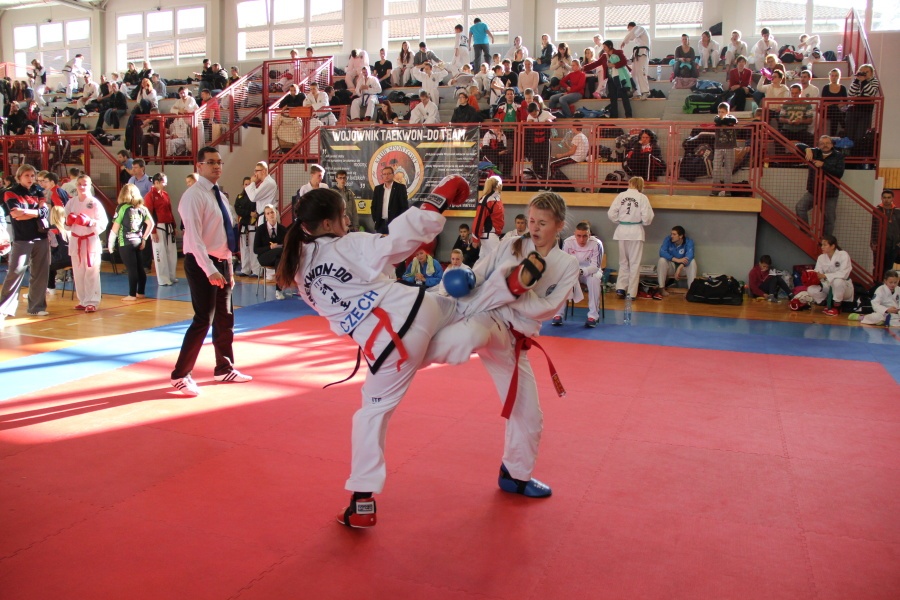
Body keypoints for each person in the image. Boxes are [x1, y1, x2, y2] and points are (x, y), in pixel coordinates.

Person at [274, 177, 471, 527]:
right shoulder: (348, 245)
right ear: (327, 223)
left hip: (390, 347)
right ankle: (505, 296)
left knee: (371, 414)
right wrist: (436, 202)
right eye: (343, 216)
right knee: (467, 306)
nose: (348, 220)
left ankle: (362, 502)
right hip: (417, 309)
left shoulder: (298, 269)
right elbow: (399, 240)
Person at [423, 191, 580, 501]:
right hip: (487, 316)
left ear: (559, 225)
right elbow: (481, 272)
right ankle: (405, 352)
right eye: (531, 220)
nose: (534, 228)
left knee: (530, 415)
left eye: (542, 223)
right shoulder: (512, 243)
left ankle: (515, 475)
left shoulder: (567, 264)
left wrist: (517, 290)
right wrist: (465, 278)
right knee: (470, 335)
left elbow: (547, 309)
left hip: (514, 338)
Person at [171, 147, 251, 396]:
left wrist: (229, 269)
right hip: (201, 262)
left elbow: (224, 235)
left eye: (220, 162)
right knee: (203, 318)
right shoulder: (193, 196)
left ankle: (224, 367)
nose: (217, 166)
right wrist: (209, 269)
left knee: (225, 318)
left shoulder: (220, 196)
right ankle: (180, 375)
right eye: (211, 162)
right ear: (199, 166)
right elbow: (194, 238)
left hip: (221, 262)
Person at [0, 165, 51, 321]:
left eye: (32, 175)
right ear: (19, 177)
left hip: (41, 237)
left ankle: (36, 307)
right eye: (26, 175)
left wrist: (28, 213)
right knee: (15, 272)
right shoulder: (10, 192)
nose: (30, 178)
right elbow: (16, 214)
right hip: (22, 239)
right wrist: (37, 213)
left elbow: (45, 210)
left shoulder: (38, 190)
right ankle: (4, 309)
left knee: (40, 273)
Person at [65, 174, 108, 312]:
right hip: (76, 240)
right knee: (78, 272)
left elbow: (103, 223)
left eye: (85, 184)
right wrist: (68, 222)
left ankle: (92, 301)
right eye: (79, 184)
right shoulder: (71, 203)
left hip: (90, 240)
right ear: (76, 185)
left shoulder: (95, 203)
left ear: (90, 186)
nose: (82, 187)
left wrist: (90, 222)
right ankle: (83, 300)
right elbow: (65, 225)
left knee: (91, 271)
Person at [608, 176, 654, 300]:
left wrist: (620, 220)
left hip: (622, 231)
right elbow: (647, 218)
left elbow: (611, 213)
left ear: (630, 183)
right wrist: (641, 222)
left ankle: (620, 288)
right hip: (636, 232)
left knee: (623, 261)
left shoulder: (621, 196)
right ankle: (631, 293)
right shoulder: (642, 198)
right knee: (634, 263)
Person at [552, 220, 605, 327]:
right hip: (573, 271)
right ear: (574, 234)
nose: (581, 239)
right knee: (561, 278)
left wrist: (581, 271)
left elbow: (595, 266)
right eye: (579, 236)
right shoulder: (568, 242)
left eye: (585, 236)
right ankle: (558, 314)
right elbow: (564, 262)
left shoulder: (597, 244)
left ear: (589, 235)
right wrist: (572, 272)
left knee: (594, 279)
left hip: (590, 271)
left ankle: (593, 316)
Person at [108, 184, 154, 302]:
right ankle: (141, 292)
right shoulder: (142, 208)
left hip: (126, 242)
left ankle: (132, 294)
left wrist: (110, 244)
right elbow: (151, 224)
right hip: (138, 241)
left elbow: (115, 227)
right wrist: (144, 238)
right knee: (139, 268)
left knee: (131, 269)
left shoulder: (122, 207)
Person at [794, 135, 845, 237]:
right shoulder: (815, 152)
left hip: (830, 193)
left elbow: (839, 173)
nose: (825, 145)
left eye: (827, 143)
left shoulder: (838, 156)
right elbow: (797, 145)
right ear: (818, 145)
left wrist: (823, 165)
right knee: (800, 207)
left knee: (829, 218)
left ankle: (824, 240)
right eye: (822, 143)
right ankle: (806, 234)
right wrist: (807, 149)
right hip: (814, 191)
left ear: (832, 144)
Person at [790, 235, 853, 316]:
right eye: (821, 245)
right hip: (828, 285)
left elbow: (843, 274)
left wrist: (825, 275)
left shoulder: (843, 255)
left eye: (825, 245)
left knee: (838, 281)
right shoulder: (821, 257)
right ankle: (827, 304)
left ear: (833, 246)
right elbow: (817, 272)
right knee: (811, 289)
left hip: (844, 288)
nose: (822, 247)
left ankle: (837, 307)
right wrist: (811, 276)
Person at [145, 173, 178, 287]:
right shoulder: (149, 196)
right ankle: (163, 279)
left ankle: (171, 276)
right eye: (164, 182)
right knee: (160, 253)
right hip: (158, 226)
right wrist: (153, 231)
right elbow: (148, 215)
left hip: (168, 225)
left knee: (171, 253)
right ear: (156, 182)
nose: (166, 184)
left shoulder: (165, 194)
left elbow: (170, 211)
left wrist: (173, 226)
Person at [254, 204, 288, 300]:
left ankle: (278, 290)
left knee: (279, 259)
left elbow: (287, 245)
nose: (271, 215)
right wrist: (270, 247)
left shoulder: (282, 229)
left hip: (279, 256)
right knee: (281, 252)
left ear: (276, 213)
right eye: (268, 213)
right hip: (264, 257)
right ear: (265, 216)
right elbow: (256, 249)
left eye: (272, 212)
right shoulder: (260, 229)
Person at [845, 63, 880, 149]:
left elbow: (871, 93)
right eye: (862, 71)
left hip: (865, 111)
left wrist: (864, 81)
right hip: (853, 110)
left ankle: (857, 152)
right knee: (850, 134)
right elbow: (850, 93)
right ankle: (850, 153)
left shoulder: (874, 81)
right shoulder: (856, 81)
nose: (864, 73)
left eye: (866, 72)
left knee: (860, 135)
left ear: (871, 73)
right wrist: (856, 81)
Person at [657, 226, 697, 294]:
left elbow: (690, 255)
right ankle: (661, 288)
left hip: (682, 269)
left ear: (681, 236)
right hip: (671, 267)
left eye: (674, 234)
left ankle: (691, 291)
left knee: (692, 262)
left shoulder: (689, 241)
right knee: (662, 260)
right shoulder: (668, 239)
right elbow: (662, 252)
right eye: (671, 234)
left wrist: (680, 267)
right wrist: (677, 260)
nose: (671, 236)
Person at [472, 175, 504, 259]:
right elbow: (479, 220)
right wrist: (475, 238)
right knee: (498, 260)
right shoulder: (488, 200)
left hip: (490, 235)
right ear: (499, 185)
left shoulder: (494, 198)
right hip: (489, 235)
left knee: (482, 262)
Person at [371, 165, 408, 235]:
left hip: (395, 223)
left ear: (393, 175)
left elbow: (404, 207)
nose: (386, 176)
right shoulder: (378, 189)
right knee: (380, 241)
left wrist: (399, 221)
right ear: (382, 176)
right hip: (380, 223)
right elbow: (374, 206)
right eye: (384, 174)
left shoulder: (400, 188)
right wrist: (375, 219)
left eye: (388, 173)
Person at [711, 103, 738, 197]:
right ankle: (715, 188)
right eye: (719, 112)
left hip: (729, 146)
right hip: (719, 146)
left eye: (722, 112)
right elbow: (717, 120)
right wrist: (722, 120)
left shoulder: (732, 118)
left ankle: (728, 190)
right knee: (716, 168)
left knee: (728, 169)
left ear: (727, 112)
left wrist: (724, 120)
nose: (720, 114)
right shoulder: (717, 118)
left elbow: (733, 121)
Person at [233, 176, 257, 278]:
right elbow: (237, 209)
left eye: (249, 184)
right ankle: (245, 269)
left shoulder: (255, 196)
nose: (247, 186)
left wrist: (253, 214)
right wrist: (249, 213)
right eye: (246, 184)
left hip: (253, 225)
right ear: (243, 185)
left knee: (253, 248)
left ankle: (256, 271)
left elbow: (256, 210)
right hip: (243, 225)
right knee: (244, 248)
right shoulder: (240, 197)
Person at [872, 189, 900, 276]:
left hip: (893, 245)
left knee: (888, 267)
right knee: (877, 267)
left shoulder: (898, 211)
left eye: (888, 197)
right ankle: (877, 283)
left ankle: (886, 283)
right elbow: (873, 227)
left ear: (892, 198)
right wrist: (873, 242)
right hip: (879, 245)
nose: (886, 200)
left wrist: (898, 243)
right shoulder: (876, 210)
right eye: (884, 197)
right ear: (881, 198)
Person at [621, 21, 651, 98]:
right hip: (637, 54)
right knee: (634, 73)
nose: (629, 31)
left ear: (631, 27)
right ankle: (637, 92)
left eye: (629, 29)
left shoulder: (640, 28)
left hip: (643, 53)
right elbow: (634, 38)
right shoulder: (638, 36)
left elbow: (632, 34)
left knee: (641, 71)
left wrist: (624, 41)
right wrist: (630, 59)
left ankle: (645, 91)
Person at [46, 205, 71, 295]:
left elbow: (53, 246)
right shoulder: (68, 229)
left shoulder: (52, 229)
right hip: (72, 259)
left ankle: (50, 287)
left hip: (60, 259)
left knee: (45, 264)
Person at [822, 68, 848, 136]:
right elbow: (823, 102)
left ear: (839, 77)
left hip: (837, 110)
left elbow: (845, 102)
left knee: (835, 111)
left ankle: (832, 136)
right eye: (832, 75)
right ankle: (843, 125)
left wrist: (837, 105)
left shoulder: (842, 88)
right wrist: (835, 105)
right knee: (834, 108)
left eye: (836, 75)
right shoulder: (826, 87)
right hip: (827, 110)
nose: (834, 77)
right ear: (829, 76)